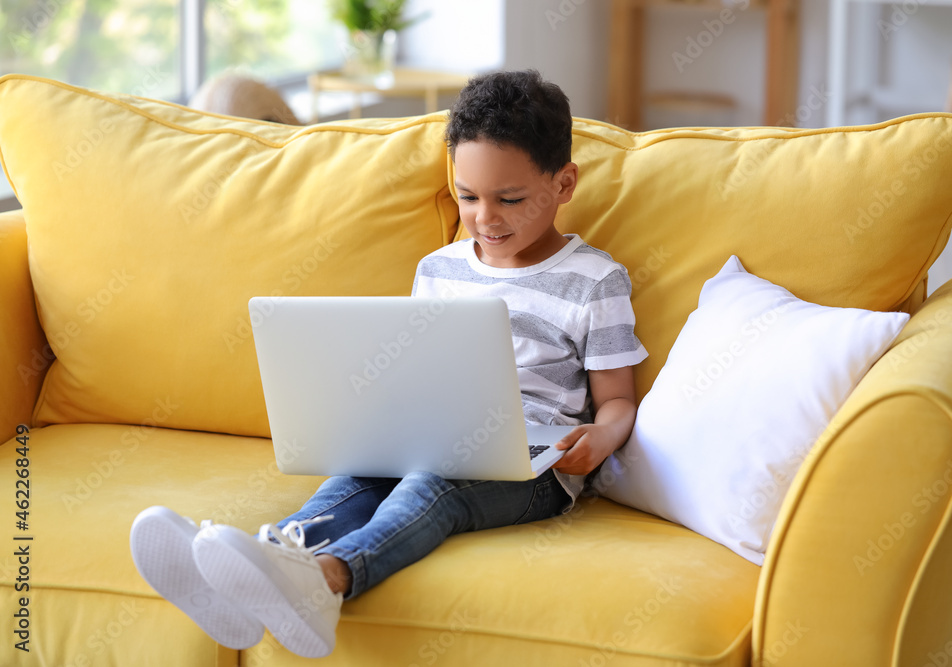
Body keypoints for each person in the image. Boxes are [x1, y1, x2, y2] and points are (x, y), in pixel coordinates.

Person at [129, 69, 648, 659]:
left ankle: (330, 579)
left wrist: (602, 437)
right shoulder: (439, 269)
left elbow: (617, 400)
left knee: (434, 482)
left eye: (510, 199)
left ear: (564, 184)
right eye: (468, 196)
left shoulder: (595, 280)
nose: (485, 218)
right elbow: (414, 372)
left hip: (535, 471)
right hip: (429, 433)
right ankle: (253, 566)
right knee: (357, 477)